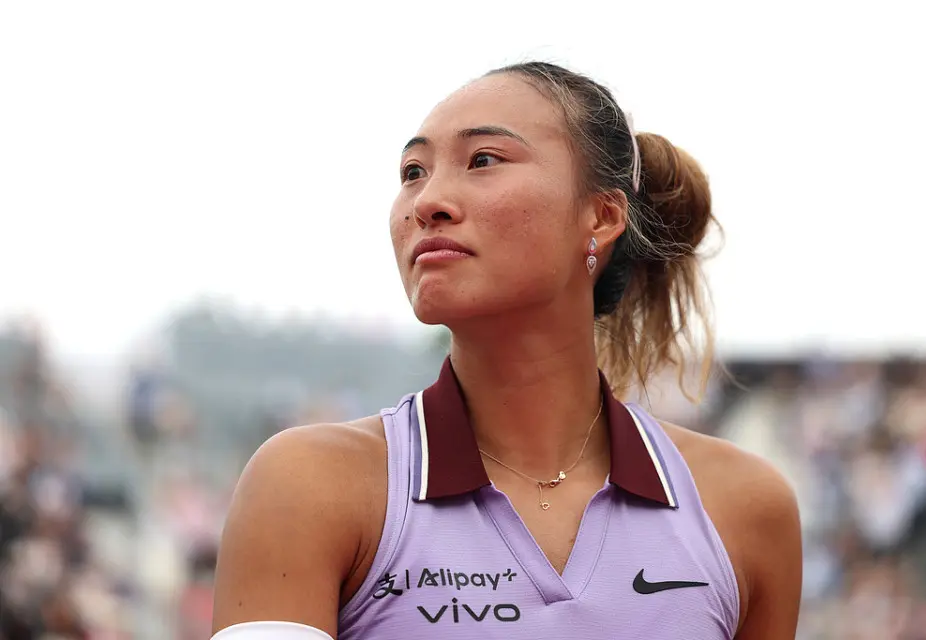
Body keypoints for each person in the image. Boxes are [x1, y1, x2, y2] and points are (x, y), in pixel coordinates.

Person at [211, 61, 802, 639]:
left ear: (601, 216)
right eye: (413, 171)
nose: (427, 201)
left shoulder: (743, 507)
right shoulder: (310, 484)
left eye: (483, 160)